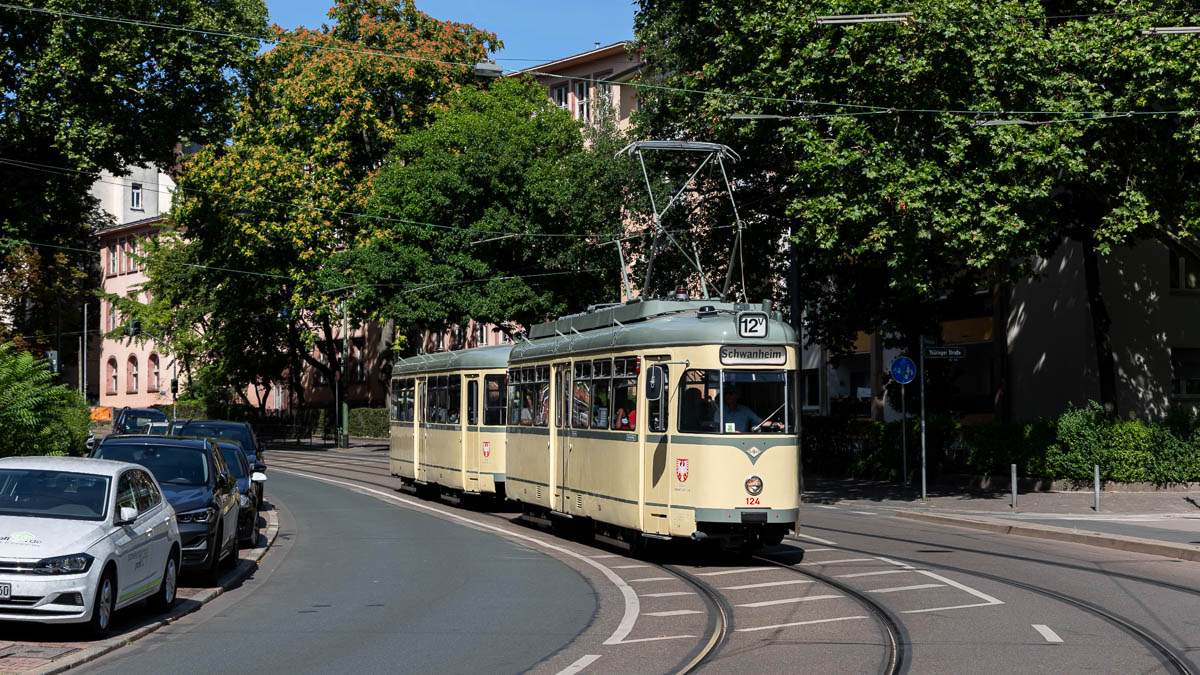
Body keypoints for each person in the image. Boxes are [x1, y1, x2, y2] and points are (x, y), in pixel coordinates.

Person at [713, 384, 781, 433]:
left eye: (731, 393)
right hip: (726, 442)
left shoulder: (745, 410)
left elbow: (760, 422)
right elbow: (717, 428)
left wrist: (774, 424)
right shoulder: (720, 412)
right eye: (726, 394)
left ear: (738, 396)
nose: (728, 396)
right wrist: (732, 432)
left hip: (744, 441)